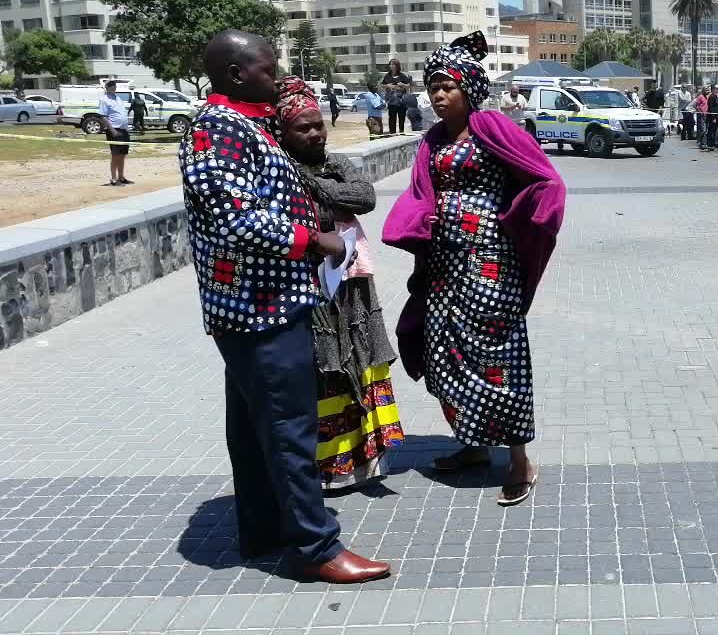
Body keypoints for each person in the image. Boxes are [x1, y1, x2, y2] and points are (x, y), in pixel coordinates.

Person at [177, 29, 389, 583]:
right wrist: (313, 240)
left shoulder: (245, 124)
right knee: (291, 428)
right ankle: (315, 548)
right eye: (268, 70)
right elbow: (234, 214)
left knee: (254, 427)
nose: (278, 77)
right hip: (257, 309)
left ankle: (265, 527)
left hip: (268, 303)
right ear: (234, 74)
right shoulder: (215, 128)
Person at [383, 32, 566, 507]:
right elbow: (422, 191)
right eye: (432, 87)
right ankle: (472, 443)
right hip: (445, 265)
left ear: (469, 87)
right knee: (446, 353)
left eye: (446, 86)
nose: (437, 95)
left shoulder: (494, 128)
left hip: (490, 262)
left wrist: (525, 215)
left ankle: (520, 458)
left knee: (497, 356)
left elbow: (545, 178)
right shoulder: (433, 139)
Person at [276, 76, 405, 489]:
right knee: (326, 361)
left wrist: (313, 185)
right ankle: (331, 467)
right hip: (309, 281)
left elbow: (364, 196)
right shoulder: (276, 169)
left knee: (361, 353)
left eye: (318, 125)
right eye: (303, 127)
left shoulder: (331, 163)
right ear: (283, 132)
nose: (315, 133)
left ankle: (368, 458)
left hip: (351, 281)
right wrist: (330, 193)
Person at [97, 81, 132, 187]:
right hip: (114, 130)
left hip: (124, 130)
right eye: (110, 86)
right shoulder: (104, 99)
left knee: (122, 155)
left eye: (114, 86)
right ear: (106, 88)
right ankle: (113, 178)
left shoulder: (118, 98)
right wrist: (112, 130)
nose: (113, 88)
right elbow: (103, 116)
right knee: (115, 155)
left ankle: (121, 177)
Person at [382, 59, 412, 134]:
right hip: (391, 102)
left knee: (402, 118)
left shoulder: (402, 76)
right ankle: (392, 134)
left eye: (393, 64)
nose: (391, 66)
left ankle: (401, 132)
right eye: (390, 64)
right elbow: (382, 85)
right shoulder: (387, 76)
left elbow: (409, 86)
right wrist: (387, 85)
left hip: (401, 102)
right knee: (392, 119)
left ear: (397, 66)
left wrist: (403, 85)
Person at [705, 84, 718, 150]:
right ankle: (710, 144)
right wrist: (713, 118)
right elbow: (711, 108)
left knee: (715, 130)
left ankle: (713, 143)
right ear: (713, 89)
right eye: (717, 89)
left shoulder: (716, 96)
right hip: (713, 117)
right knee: (711, 130)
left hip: (717, 116)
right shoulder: (712, 97)